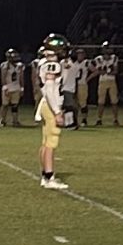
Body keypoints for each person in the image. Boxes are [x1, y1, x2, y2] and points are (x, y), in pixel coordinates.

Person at [34, 34, 72, 191]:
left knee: (45, 142)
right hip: (51, 104)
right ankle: (49, 177)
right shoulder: (52, 64)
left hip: (46, 104)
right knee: (51, 144)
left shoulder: (44, 61)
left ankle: (45, 175)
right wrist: (57, 111)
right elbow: (50, 89)